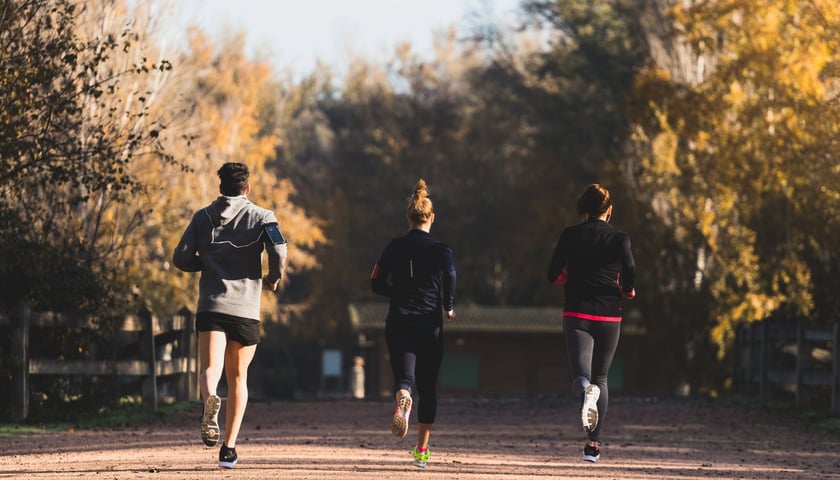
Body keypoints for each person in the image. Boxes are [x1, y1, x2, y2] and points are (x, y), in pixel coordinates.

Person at [173, 162, 287, 469]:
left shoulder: (202, 217)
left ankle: (211, 398)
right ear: (247, 188)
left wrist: (208, 263)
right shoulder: (263, 217)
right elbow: (279, 249)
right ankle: (229, 447)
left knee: (211, 368)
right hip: (245, 310)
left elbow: (180, 257)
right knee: (239, 378)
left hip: (211, 305)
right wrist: (273, 277)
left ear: (220, 187)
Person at [546, 183, 636, 463]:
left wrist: (564, 278)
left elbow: (552, 273)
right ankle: (593, 446)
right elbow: (630, 269)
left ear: (584, 208)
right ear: (609, 210)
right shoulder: (620, 238)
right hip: (610, 314)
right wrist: (627, 289)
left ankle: (586, 392)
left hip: (577, 314)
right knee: (602, 378)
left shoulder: (570, 235)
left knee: (581, 377)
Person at [370, 179, 456, 469]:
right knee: (429, 386)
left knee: (404, 379)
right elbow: (451, 276)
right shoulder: (441, 249)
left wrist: (398, 293)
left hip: (399, 320)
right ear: (432, 217)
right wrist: (448, 305)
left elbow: (375, 282)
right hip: (428, 323)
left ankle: (403, 398)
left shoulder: (394, 246)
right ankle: (421, 449)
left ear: (409, 217)